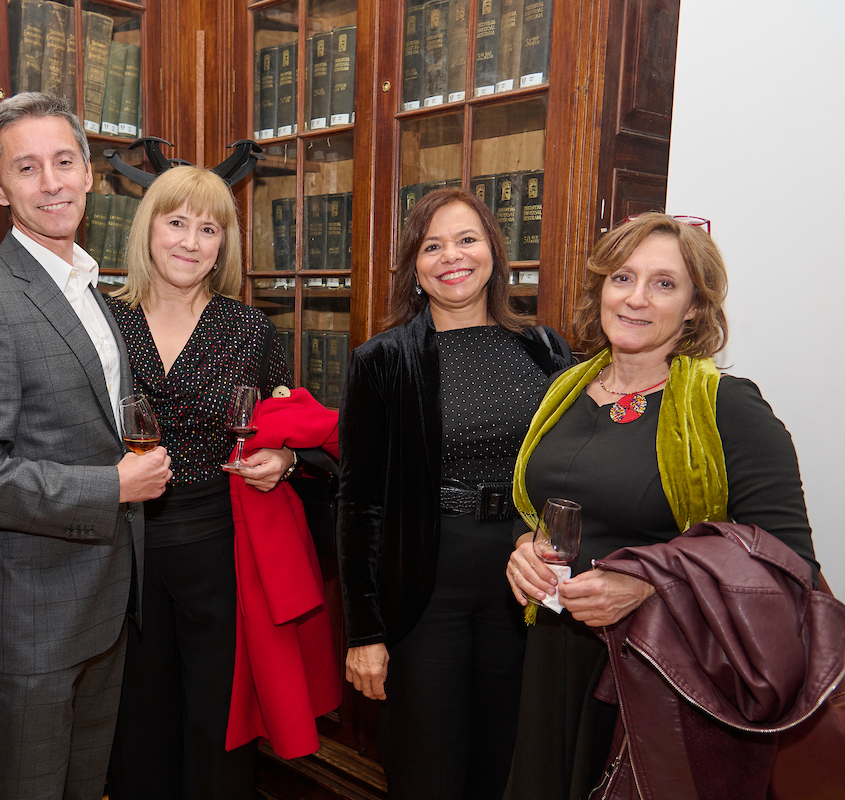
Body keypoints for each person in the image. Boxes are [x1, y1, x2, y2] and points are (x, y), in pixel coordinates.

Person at [503, 213, 819, 800]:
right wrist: (524, 548)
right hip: (554, 659)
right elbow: (548, 512)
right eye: (622, 278)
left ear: (696, 307)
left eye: (665, 284)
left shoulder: (728, 408)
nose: (637, 299)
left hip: (658, 680)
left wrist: (654, 584)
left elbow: (791, 568)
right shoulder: (566, 389)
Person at [0, 92, 171, 800]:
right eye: (27, 169)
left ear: (90, 173)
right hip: (31, 621)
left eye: (64, 161)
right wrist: (112, 488)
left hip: (104, 605)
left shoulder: (90, 289)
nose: (53, 182)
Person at [336, 187, 572, 799]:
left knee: (510, 759)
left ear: (493, 250)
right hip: (424, 583)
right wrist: (364, 633)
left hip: (523, 582)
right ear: (415, 268)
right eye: (432, 246)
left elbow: (571, 468)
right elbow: (358, 503)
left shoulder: (546, 350)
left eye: (467, 239)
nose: (452, 257)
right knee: (427, 765)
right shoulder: (382, 360)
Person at [103, 165, 292, 800]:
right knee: (137, 715)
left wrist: (284, 460)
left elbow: (283, 424)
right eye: (176, 222)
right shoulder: (102, 320)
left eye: (208, 228)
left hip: (219, 543)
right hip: (120, 542)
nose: (190, 241)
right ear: (147, 230)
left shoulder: (249, 329)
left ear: (224, 243)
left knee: (218, 715)